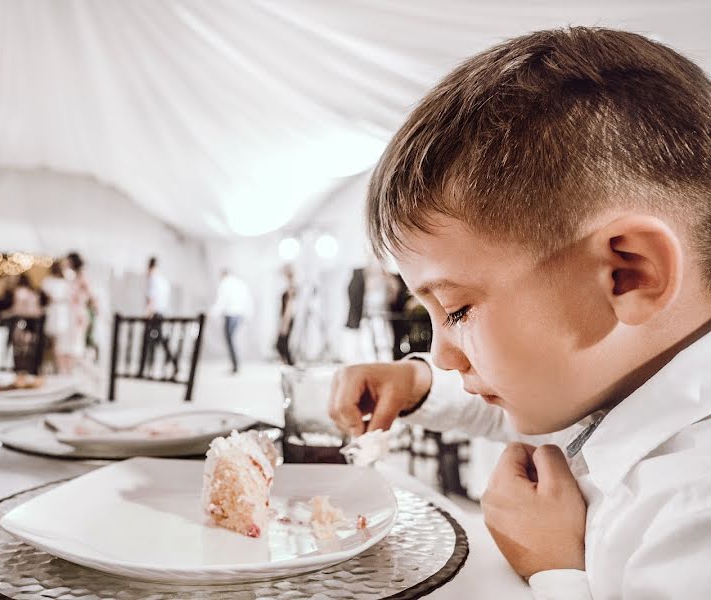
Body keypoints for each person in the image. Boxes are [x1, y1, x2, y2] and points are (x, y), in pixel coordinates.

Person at [329, 28, 711, 599]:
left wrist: (554, 569)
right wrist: (414, 383)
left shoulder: (689, 519)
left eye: (456, 309)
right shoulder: (626, 373)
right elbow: (541, 399)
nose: (443, 353)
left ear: (627, 273)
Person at [211, 269, 252, 374]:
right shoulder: (240, 283)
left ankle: (235, 365)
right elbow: (247, 299)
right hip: (239, 314)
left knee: (229, 340)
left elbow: (222, 301)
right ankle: (235, 365)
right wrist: (247, 315)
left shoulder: (225, 284)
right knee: (231, 339)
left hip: (230, 314)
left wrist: (212, 313)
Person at [41, 260, 74, 374]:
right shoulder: (48, 281)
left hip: (64, 312)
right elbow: (48, 297)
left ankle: (64, 366)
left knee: (64, 340)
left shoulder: (68, 281)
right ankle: (56, 365)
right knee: (53, 341)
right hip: (55, 311)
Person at [141, 256, 172, 375]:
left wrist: (147, 312)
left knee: (149, 339)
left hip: (154, 313)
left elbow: (152, 297)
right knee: (157, 338)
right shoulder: (162, 279)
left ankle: (146, 365)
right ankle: (168, 359)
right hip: (161, 312)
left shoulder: (153, 278)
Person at [66, 252, 96, 360]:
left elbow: (92, 295)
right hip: (73, 312)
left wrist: (86, 305)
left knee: (78, 340)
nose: (66, 264)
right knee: (74, 341)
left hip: (79, 312)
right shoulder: (75, 276)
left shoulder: (82, 277)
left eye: (68, 261)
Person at [275, 266, 296, 365]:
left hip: (287, 318)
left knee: (281, 344)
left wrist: (285, 321)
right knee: (283, 344)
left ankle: (289, 363)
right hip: (286, 317)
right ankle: (288, 363)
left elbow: (289, 306)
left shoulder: (291, 288)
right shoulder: (288, 286)